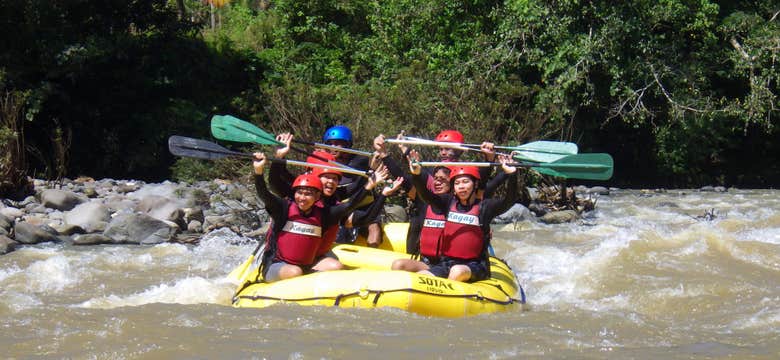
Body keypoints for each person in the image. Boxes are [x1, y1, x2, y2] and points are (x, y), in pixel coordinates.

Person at [252, 152, 385, 282]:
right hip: (279, 262)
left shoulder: (327, 211)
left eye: (308, 194)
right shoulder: (283, 207)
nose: (303, 198)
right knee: (295, 272)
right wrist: (260, 170)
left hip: (312, 259)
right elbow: (267, 190)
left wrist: (377, 189)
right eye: (300, 193)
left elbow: (351, 204)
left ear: (317, 196)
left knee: (336, 267)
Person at [408, 153, 519, 282]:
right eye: (457, 183)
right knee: (422, 276)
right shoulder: (448, 202)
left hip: (476, 265)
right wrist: (416, 175)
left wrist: (512, 175)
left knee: (457, 271)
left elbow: (509, 200)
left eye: (466, 182)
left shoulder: (486, 207)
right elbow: (426, 196)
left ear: (475, 184)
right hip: (447, 263)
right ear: (453, 187)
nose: (461, 186)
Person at [322, 125, 384, 247]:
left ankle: (373, 254)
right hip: (342, 208)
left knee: (374, 226)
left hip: (364, 207)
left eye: (337, 144)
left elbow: (354, 188)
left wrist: (374, 162)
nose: (333, 147)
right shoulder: (323, 163)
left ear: (347, 145)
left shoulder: (360, 161)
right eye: (330, 143)